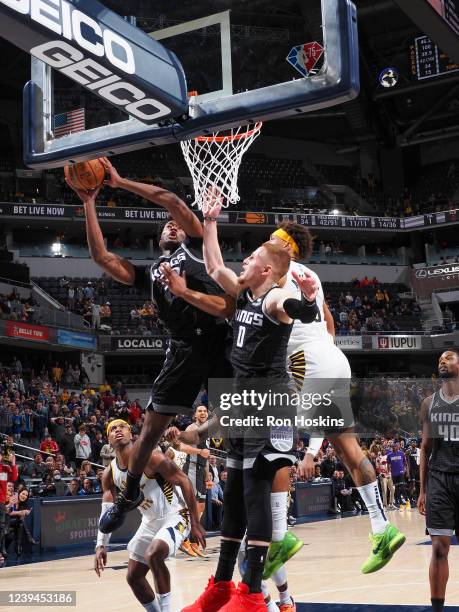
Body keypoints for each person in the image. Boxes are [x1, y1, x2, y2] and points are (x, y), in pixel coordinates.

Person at [164, 196, 319, 610]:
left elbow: (292, 310)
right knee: (234, 494)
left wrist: (304, 303)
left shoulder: (272, 299)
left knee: (255, 493)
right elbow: (215, 267)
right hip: (245, 403)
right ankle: (220, 586)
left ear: (266, 270)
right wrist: (210, 222)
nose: (243, 261)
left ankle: (251, 592)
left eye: (250, 258)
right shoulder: (245, 294)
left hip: (273, 406)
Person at [67, 158, 233, 534]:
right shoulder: (149, 274)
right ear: (158, 239)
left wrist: (120, 181)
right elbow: (101, 257)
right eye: (166, 226)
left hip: (221, 339)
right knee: (149, 433)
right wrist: (90, 200)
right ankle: (126, 497)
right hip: (184, 350)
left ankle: (255, 496)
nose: (172, 224)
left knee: (245, 423)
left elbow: (171, 200)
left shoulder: (194, 246)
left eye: (175, 223)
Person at [94, 419, 205, 612]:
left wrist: (195, 522)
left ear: (131, 434)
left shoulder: (151, 457)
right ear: (108, 439)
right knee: (133, 576)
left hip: (176, 514)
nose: (117, 430)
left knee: (154, 554)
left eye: (122, 427)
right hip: (149, 521)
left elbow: (185, 481)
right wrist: (101, 545)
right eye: (112, 429)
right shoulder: (109, 474)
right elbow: (107, 510)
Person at [418, 350, 459, 612]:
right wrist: (422, 491)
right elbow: (425, 447)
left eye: (449, 357)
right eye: (440, 359)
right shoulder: (429, 403)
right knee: (439, 550)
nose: (442, 361)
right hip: (440, 480)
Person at [0, 449, 18, 557]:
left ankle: (1, 548)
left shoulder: (4, 469)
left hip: (1, 501)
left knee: (1, 527)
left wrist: (13, 463)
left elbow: (14, 478)